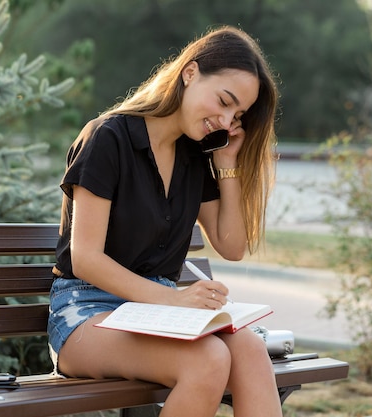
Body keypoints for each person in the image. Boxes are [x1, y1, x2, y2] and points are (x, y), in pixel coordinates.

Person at [47, 25, 281, 417]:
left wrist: (226, 164)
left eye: (236, 114)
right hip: (85, 313)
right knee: (207, 359)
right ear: (189, 73)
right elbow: (85, 258)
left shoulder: (194, 155)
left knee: (251, 350)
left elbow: (232, 245)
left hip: (159, 316)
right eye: (223, 101)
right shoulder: (108, 137)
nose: (225, 121)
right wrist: (174, 298)